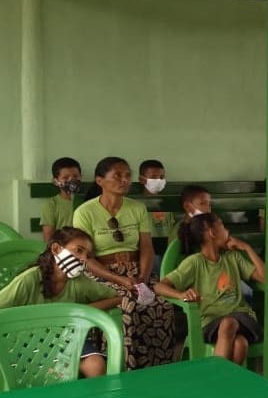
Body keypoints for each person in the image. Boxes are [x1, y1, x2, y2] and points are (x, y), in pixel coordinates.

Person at [73, 156, 176, 370]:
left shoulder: (137, 208)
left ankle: (157, 368)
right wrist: (119, 279)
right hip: (101, 273)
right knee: (127, 303)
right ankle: (122, 368)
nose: (124, 180)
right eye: (117, 175)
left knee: (161, 304)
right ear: (100, 180)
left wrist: (143, 278)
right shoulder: (85, 212)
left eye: (128, 175)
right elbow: (86, 258)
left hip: (136, 271)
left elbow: (146, 246)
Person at [0, 227, 121, 377]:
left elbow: (116, 296)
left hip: (66, 339)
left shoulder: (79, 282)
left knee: (95, 365)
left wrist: (85, 310)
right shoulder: (29, 280)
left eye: (87, 255)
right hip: (29, 342)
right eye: (79, 250)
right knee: (54, 374)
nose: (83, 259)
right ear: (56, 249)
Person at [155, 213, 265, 365]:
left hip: (243, 318)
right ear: (212, 232)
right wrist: (181, 294)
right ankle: (224, 385)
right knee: (240, 344)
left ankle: (215, 383)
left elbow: (265, 278)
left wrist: (246, 248)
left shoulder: (233, 257)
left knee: (230, 325)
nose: (227, 230)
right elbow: (159, 286)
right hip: (210, 322)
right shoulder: (195, 263)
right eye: (223, 226)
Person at [139, 159, 174, 275]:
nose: (159, 180)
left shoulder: (168, 203)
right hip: (145, 252)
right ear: (142, 179)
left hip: (166, 249)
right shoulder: (136, 204)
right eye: (154, 177)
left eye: (162, 177)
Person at [40, 157, 82, 242]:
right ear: (55, 181)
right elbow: (48, 237)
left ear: (81, 177)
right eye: (65, 177)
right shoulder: (51, 204)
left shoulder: (86, 201)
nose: (72, 180)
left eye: (75, 176)